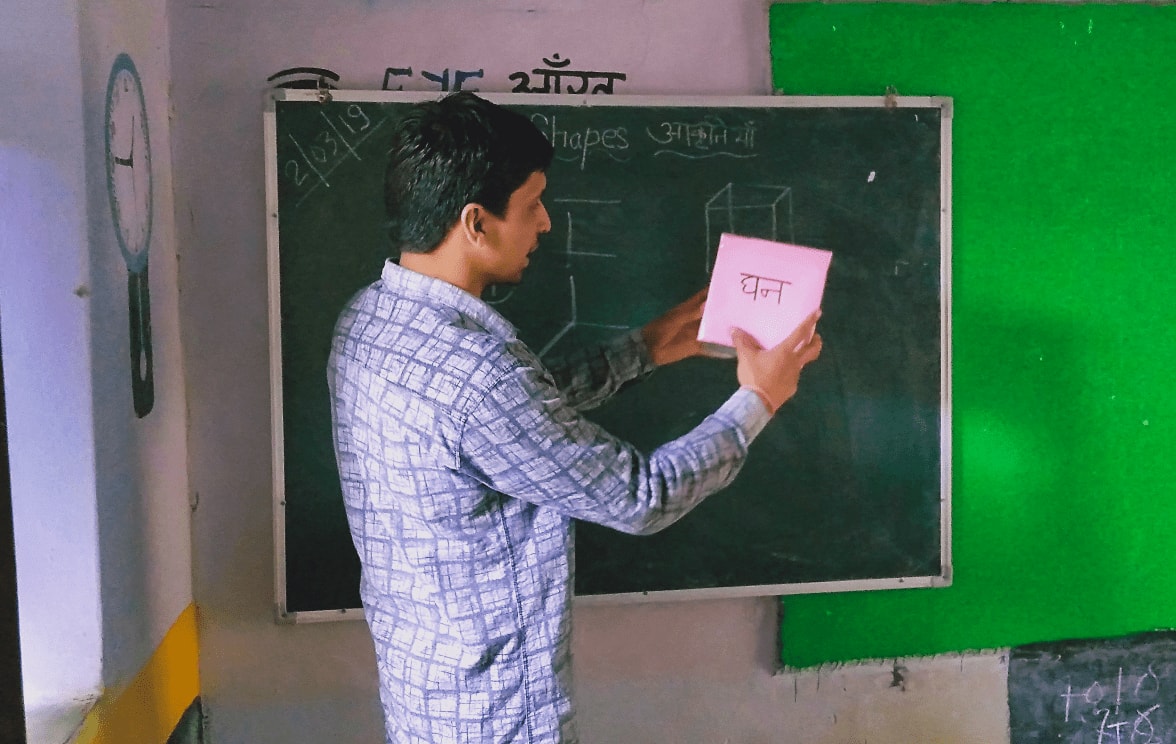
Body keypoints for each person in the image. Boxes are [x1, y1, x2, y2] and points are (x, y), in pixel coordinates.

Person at [327, 91, 822, 744]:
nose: (545, 223)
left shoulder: (368, 321)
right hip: (497, 721)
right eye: (532, 203)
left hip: (424, 696)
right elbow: (641, 496)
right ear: (476, 223)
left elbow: (508, 423)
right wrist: (759, 398)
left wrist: (643, 350)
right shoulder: (477, 373)